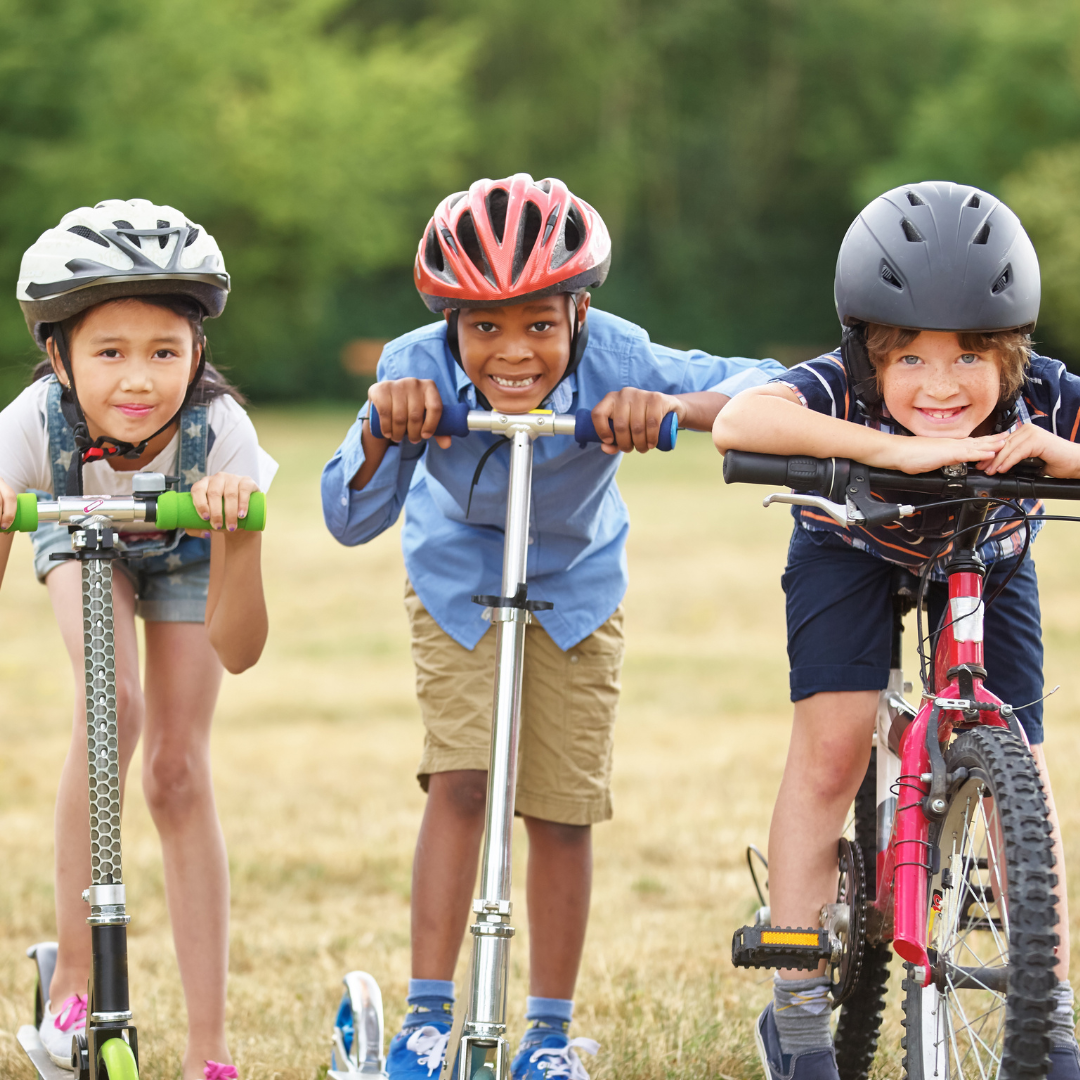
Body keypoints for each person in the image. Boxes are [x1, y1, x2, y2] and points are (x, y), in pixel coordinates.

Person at [322, 173, 783, 1080]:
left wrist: (670, 409)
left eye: (540, 324)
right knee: (461, 781)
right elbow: (349, 517)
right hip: (458, 576)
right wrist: (382, 432)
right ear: (450, 322)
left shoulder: (621, 355)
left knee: (563, 811)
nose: (514, 353)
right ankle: (425, 1017)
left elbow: (770, 390)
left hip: (576, 587)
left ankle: (547, 1032)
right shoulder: (410, 364)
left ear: (579, 311)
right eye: (484, 327)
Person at [713, 180, 1080, 1080]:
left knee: (1022, 758)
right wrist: (897, 451)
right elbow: (737, 419)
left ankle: (1050, 1000)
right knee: (834, 749)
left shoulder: (1045, 393)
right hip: (849, 549)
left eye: (967, 359)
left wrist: (1062, 454)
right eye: (909, 359)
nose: (941, 385)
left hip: (985, 560)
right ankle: (797, 1010)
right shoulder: (837, 384)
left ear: (1013, 354)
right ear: (867, 351)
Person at [0, 199, 276, 1080]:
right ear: (59, 357)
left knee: (175, 770)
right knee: (111, 706)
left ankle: (208, 1049)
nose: (139, 379)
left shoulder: (222, 432)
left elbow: (240, 647)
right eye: (109, 352)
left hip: (191, 543)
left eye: (164, 352)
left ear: (197, 351)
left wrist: (241, 533)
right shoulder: (28, 427)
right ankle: (74, 980)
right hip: (80, 535)